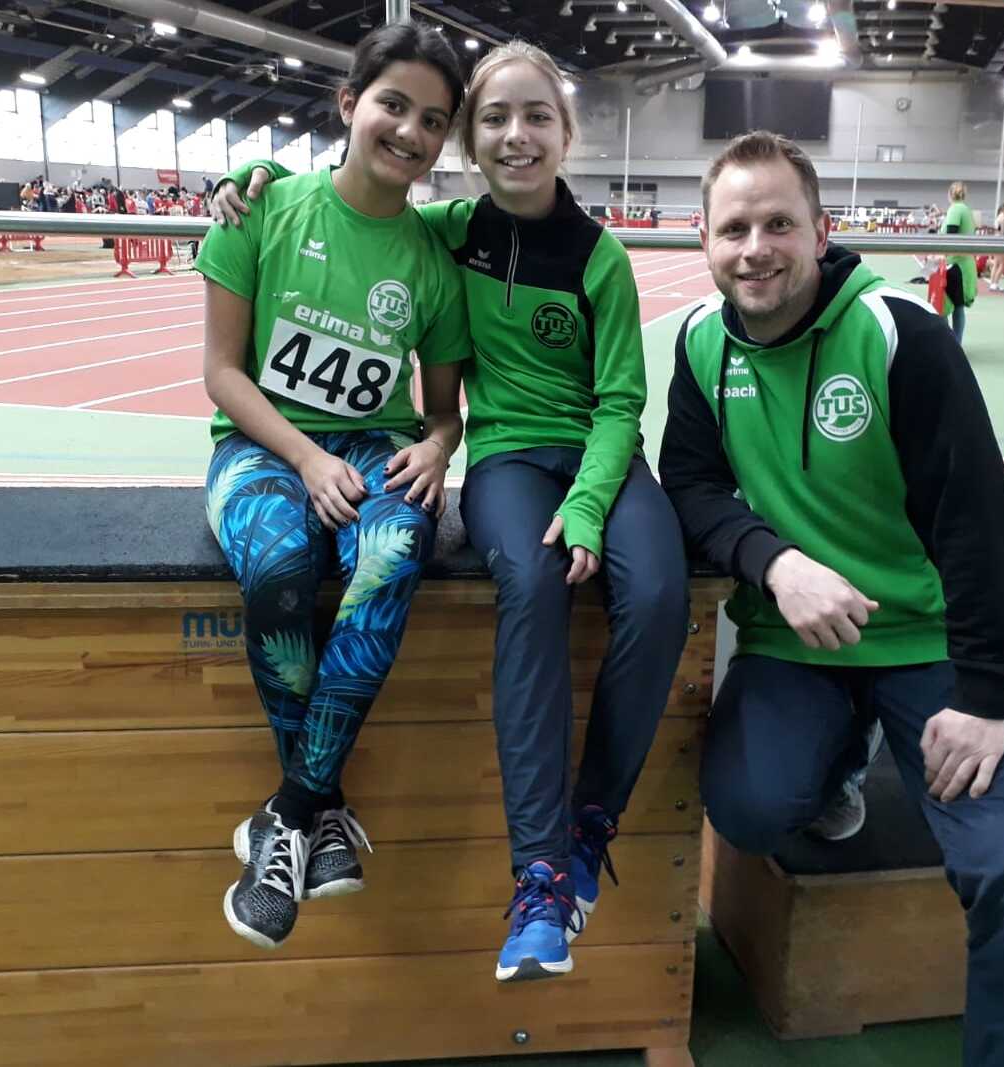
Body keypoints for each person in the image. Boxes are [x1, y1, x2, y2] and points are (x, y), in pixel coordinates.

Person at [211, 39, 692, 985]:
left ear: (566, 133)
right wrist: (255, 172)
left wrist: (559, 492)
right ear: (471, 142)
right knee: (502, 581)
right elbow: (346, 202)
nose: (515, 136)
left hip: (580, 457)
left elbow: (606, 402)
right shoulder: (441, 231)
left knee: (657, 591)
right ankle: (466, 850)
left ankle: (589, 822)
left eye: (537, 117)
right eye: (490, 121)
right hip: (465, 455)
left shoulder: (584, 257)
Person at [659, 130, 1004, 1067]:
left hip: (927, 646)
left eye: (776, 224)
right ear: (706, 240)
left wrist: (982, 694)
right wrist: (775, 562)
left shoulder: (897, 335)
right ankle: (844, 754)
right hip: (792, 640)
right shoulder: (700, 342)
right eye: (734, 228)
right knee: (750, 810)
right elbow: (688, 484)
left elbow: (977, 523)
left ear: (820, 230)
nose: (754, 247)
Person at [195, 21, 473, 953]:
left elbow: (442, 412)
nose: (410, 131)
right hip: (261, 445)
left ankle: (288, 812)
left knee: (397, 553)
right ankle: (322, 811)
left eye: (434, 120)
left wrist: (439, 446)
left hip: (373, 446)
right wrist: (308, 460)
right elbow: (223, 374)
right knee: (278, 572)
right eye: (393, 105)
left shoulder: (433, 259)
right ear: (349, 105)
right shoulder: (260, 211)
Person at [940, 181, 977, 342]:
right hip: (964, 264)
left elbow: (951, 236)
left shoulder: (955, 210)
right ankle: (956, 343)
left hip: (954, 265)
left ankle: (950, 343)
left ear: (949, 194)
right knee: (958, 306)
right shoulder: (967, 210)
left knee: (944, 305)